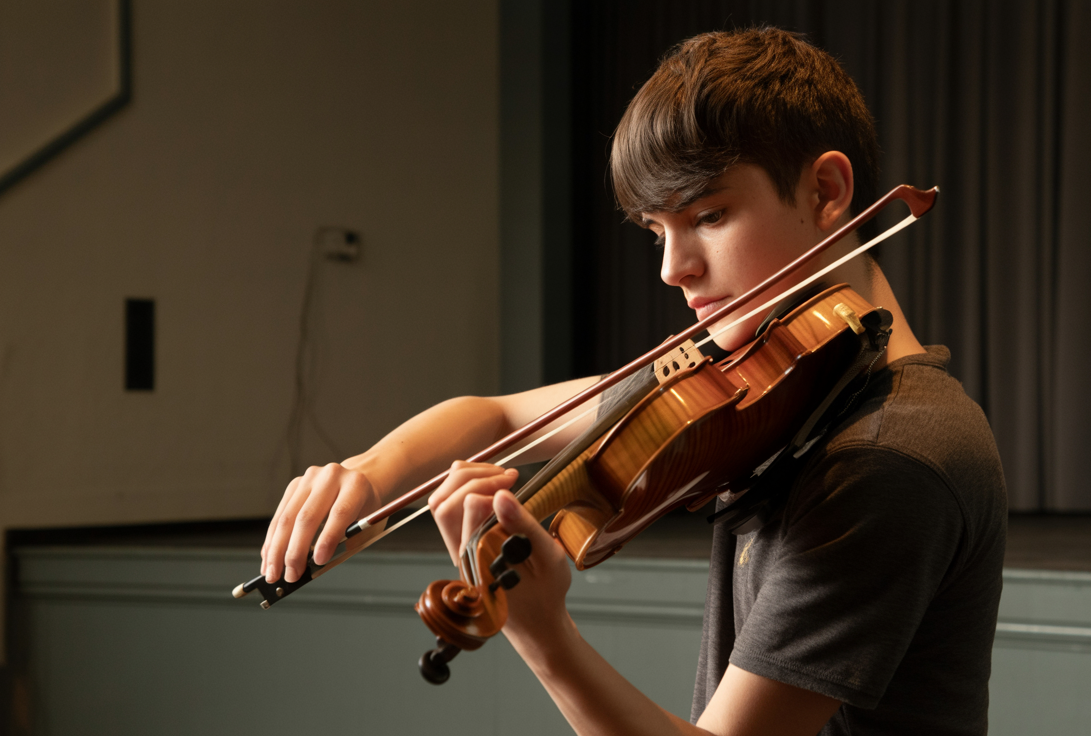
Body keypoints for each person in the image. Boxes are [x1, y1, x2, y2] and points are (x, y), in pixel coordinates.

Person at [260, 27, 1007, 736]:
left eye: (708, 216)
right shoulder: (763, 376)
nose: (672, 270)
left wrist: (546, 638)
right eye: (656, 231)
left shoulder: (889, 456)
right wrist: (366, 475)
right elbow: (491, 414)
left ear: (828, 190)